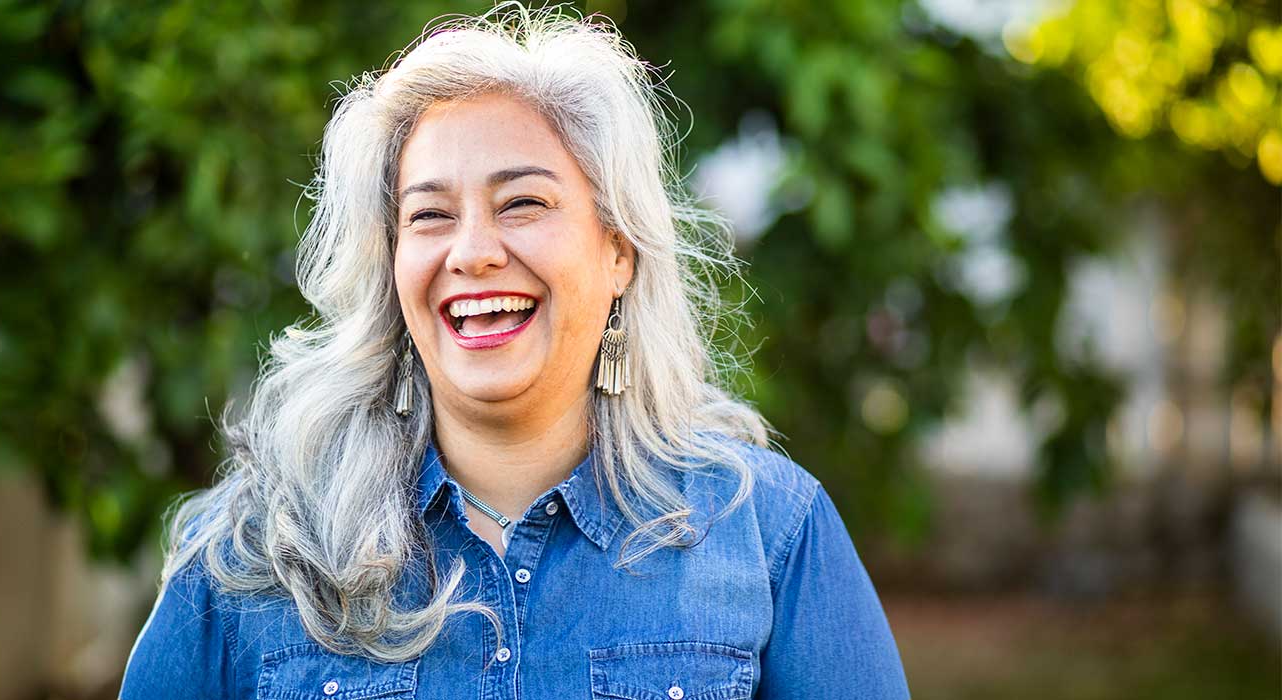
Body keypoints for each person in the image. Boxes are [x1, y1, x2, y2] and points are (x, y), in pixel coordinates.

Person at [121, 6, 909, 698]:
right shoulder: (258, 547)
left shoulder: (767, 531)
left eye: (522, 202)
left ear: (618, 250)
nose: (472, 252)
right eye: (428, 216)